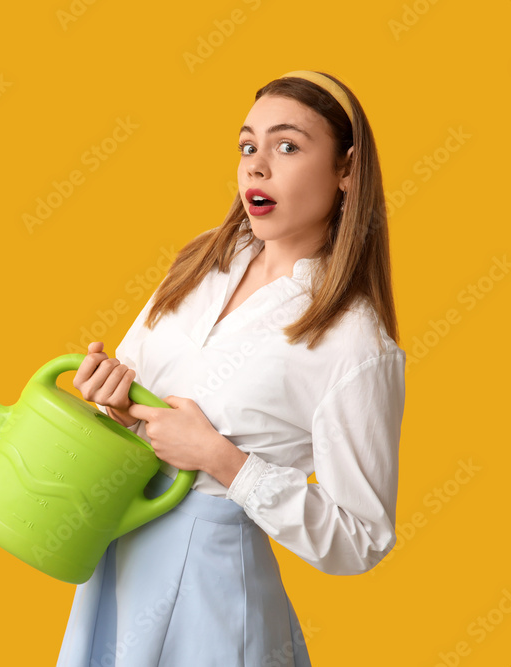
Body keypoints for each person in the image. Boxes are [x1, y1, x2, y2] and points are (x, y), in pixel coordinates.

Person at [55, 70, 406, 666]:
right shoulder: (202, 259)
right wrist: (111, 400)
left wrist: (222, 459)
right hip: (118, 558)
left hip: (212, 596)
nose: (256, 166)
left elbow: (361, 539)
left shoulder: (356, 343)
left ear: (346, 171)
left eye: (287, 146)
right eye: (248, 146)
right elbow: (134, 394)